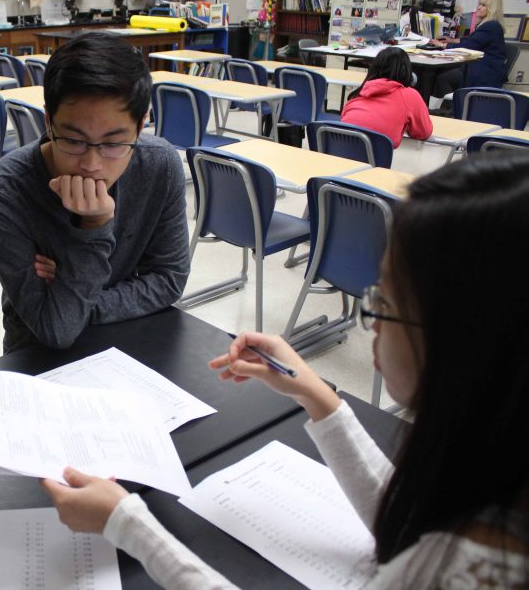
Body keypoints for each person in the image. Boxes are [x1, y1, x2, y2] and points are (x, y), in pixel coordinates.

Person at [42, 154, 529, 588]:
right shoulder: (493, 486)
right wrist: (317, 394)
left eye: (386, 300)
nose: (372, 322)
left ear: (468, 342)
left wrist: (130, 525)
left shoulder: (469, 569)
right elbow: (408, 524)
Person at [0, 32, 190, 353]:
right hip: (36, 356)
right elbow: (55, 328)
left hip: (131, 339)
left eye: (114, 143)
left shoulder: (159, 166)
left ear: (141, 127)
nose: (91, 164)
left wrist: (72, 294)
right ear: (49, 122)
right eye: (73, 140)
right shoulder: (1, 195)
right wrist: (94, 228)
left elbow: (169, 279)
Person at [341, 47, 433, 148]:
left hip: (340, 155)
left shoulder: (359, 93)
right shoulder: (409, 96)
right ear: (407, 71)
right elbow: (423, 133)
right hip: (375, 160)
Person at [429, 0, 507, 111]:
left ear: (492, 9)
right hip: (482, 66)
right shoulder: (490, 25)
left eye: (483, 5)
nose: (479, 7)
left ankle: (451, 110)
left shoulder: (491, 26)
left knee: (443, 78)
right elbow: (472, 40)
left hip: (485, 71)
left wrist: (443, 45)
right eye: (479, 4)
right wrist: (452, 40)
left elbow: (469, 45)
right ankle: (448, 108)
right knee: (444, 72)